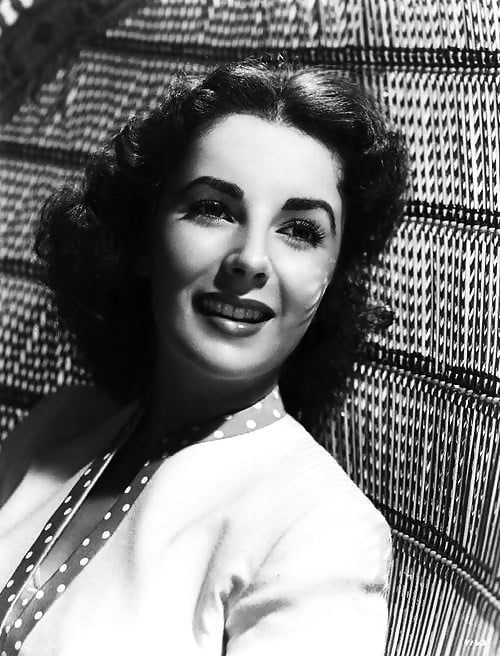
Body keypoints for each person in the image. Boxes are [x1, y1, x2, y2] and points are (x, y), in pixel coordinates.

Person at [0, 60, 407, 655]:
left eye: (300, 230)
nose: (250, 260)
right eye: (214, 209)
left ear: (331, 280)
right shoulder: (54, 429)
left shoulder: (321, 529)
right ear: (143, 239)